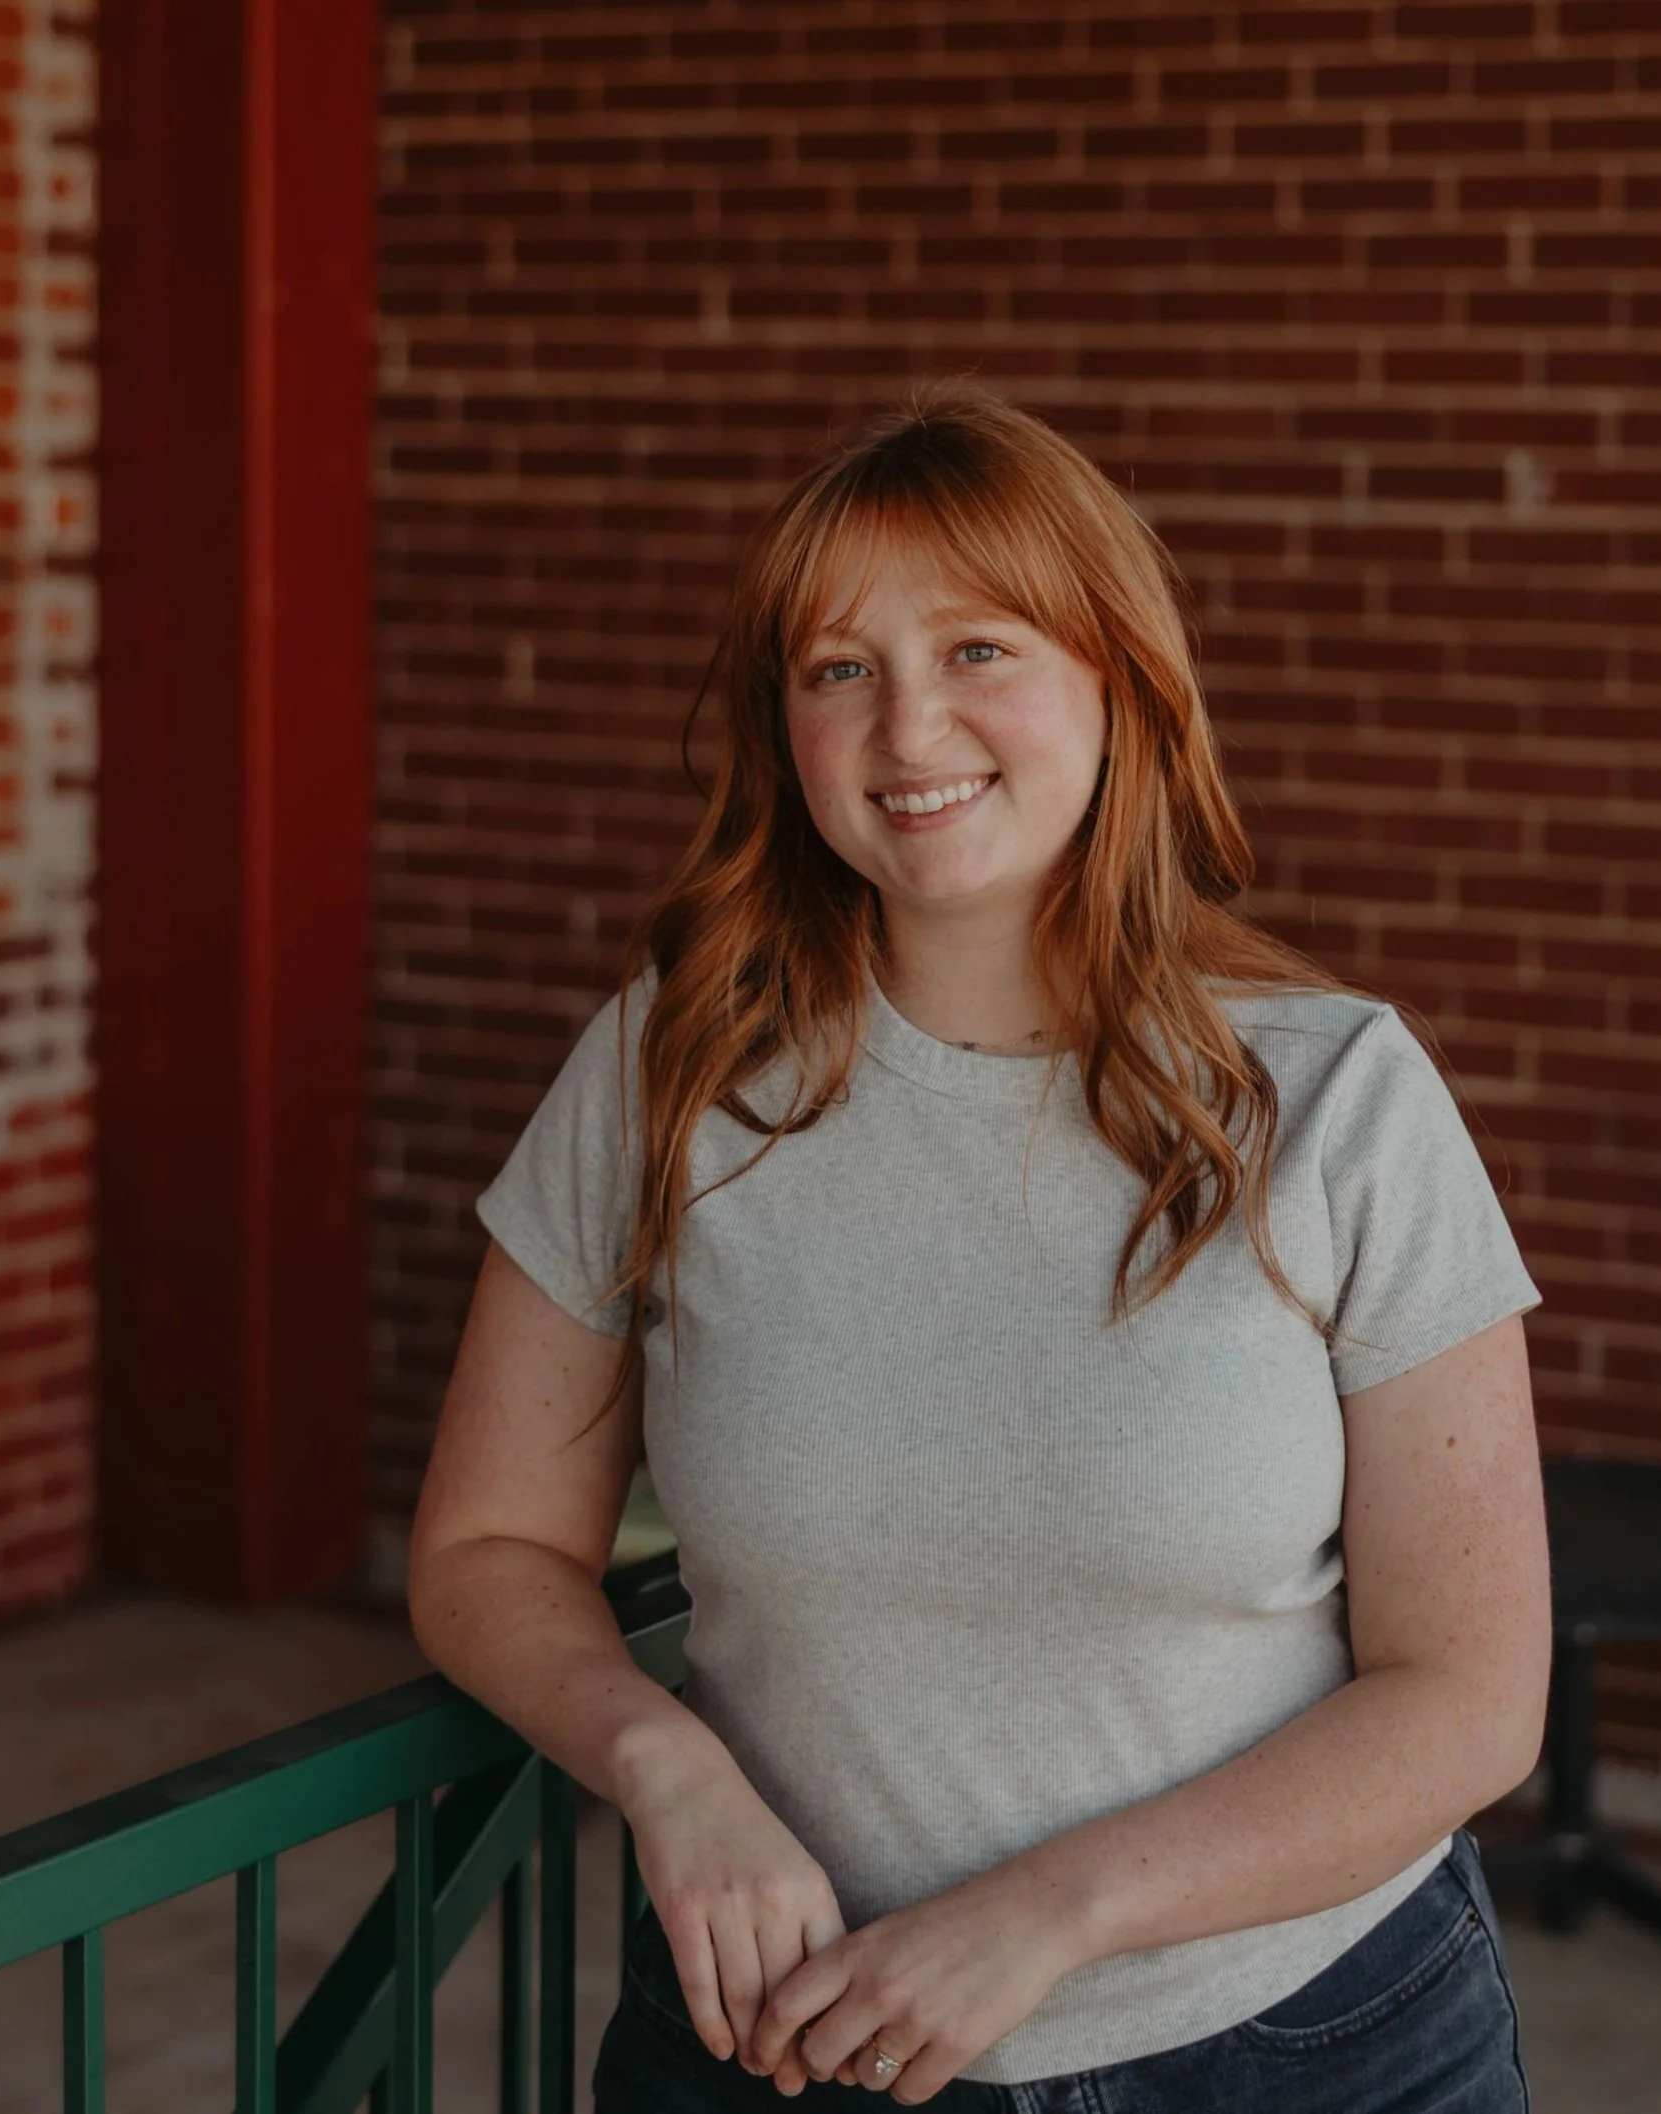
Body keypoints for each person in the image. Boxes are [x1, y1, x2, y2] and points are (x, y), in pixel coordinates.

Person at [409, 381, 1553, 2114]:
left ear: (1118, 680)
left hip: (1299, 2048)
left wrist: (1052, 1913)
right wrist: (668, 1769)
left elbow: (1470, 1694)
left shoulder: (1334, 1099)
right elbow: (489, 1539)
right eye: (837, 668)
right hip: (780, 2049)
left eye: (978, 648)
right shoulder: (669, 1074)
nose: (906, 727)